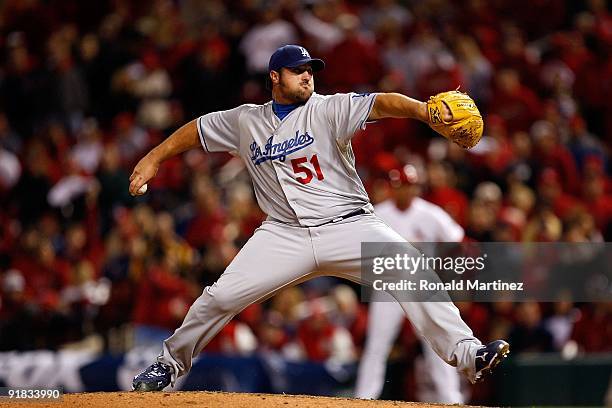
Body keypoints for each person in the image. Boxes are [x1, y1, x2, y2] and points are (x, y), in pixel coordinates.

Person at [129, 44, 509, 392]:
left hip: (349, 225)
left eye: (310, 69)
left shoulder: (329, 108)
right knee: (220, 297)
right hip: (283, 234)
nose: (307, 75)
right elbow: (195, 130)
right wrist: (153, 159)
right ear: (275, 77)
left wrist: (422, 111)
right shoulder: (245, 121)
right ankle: (168, 364)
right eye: (297, 70)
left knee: (412, 269)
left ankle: (468, 353)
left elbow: (381, 102)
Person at [355, 165, 467, 403]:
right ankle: (364, 398)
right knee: (377, 344)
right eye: (401, 186)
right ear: (393, 188)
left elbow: (457, 239)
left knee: (436, 344)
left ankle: (450, 398)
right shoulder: (377, 214)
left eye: (410, 186)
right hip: (388, 288)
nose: (406, 191)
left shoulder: (430, 213)